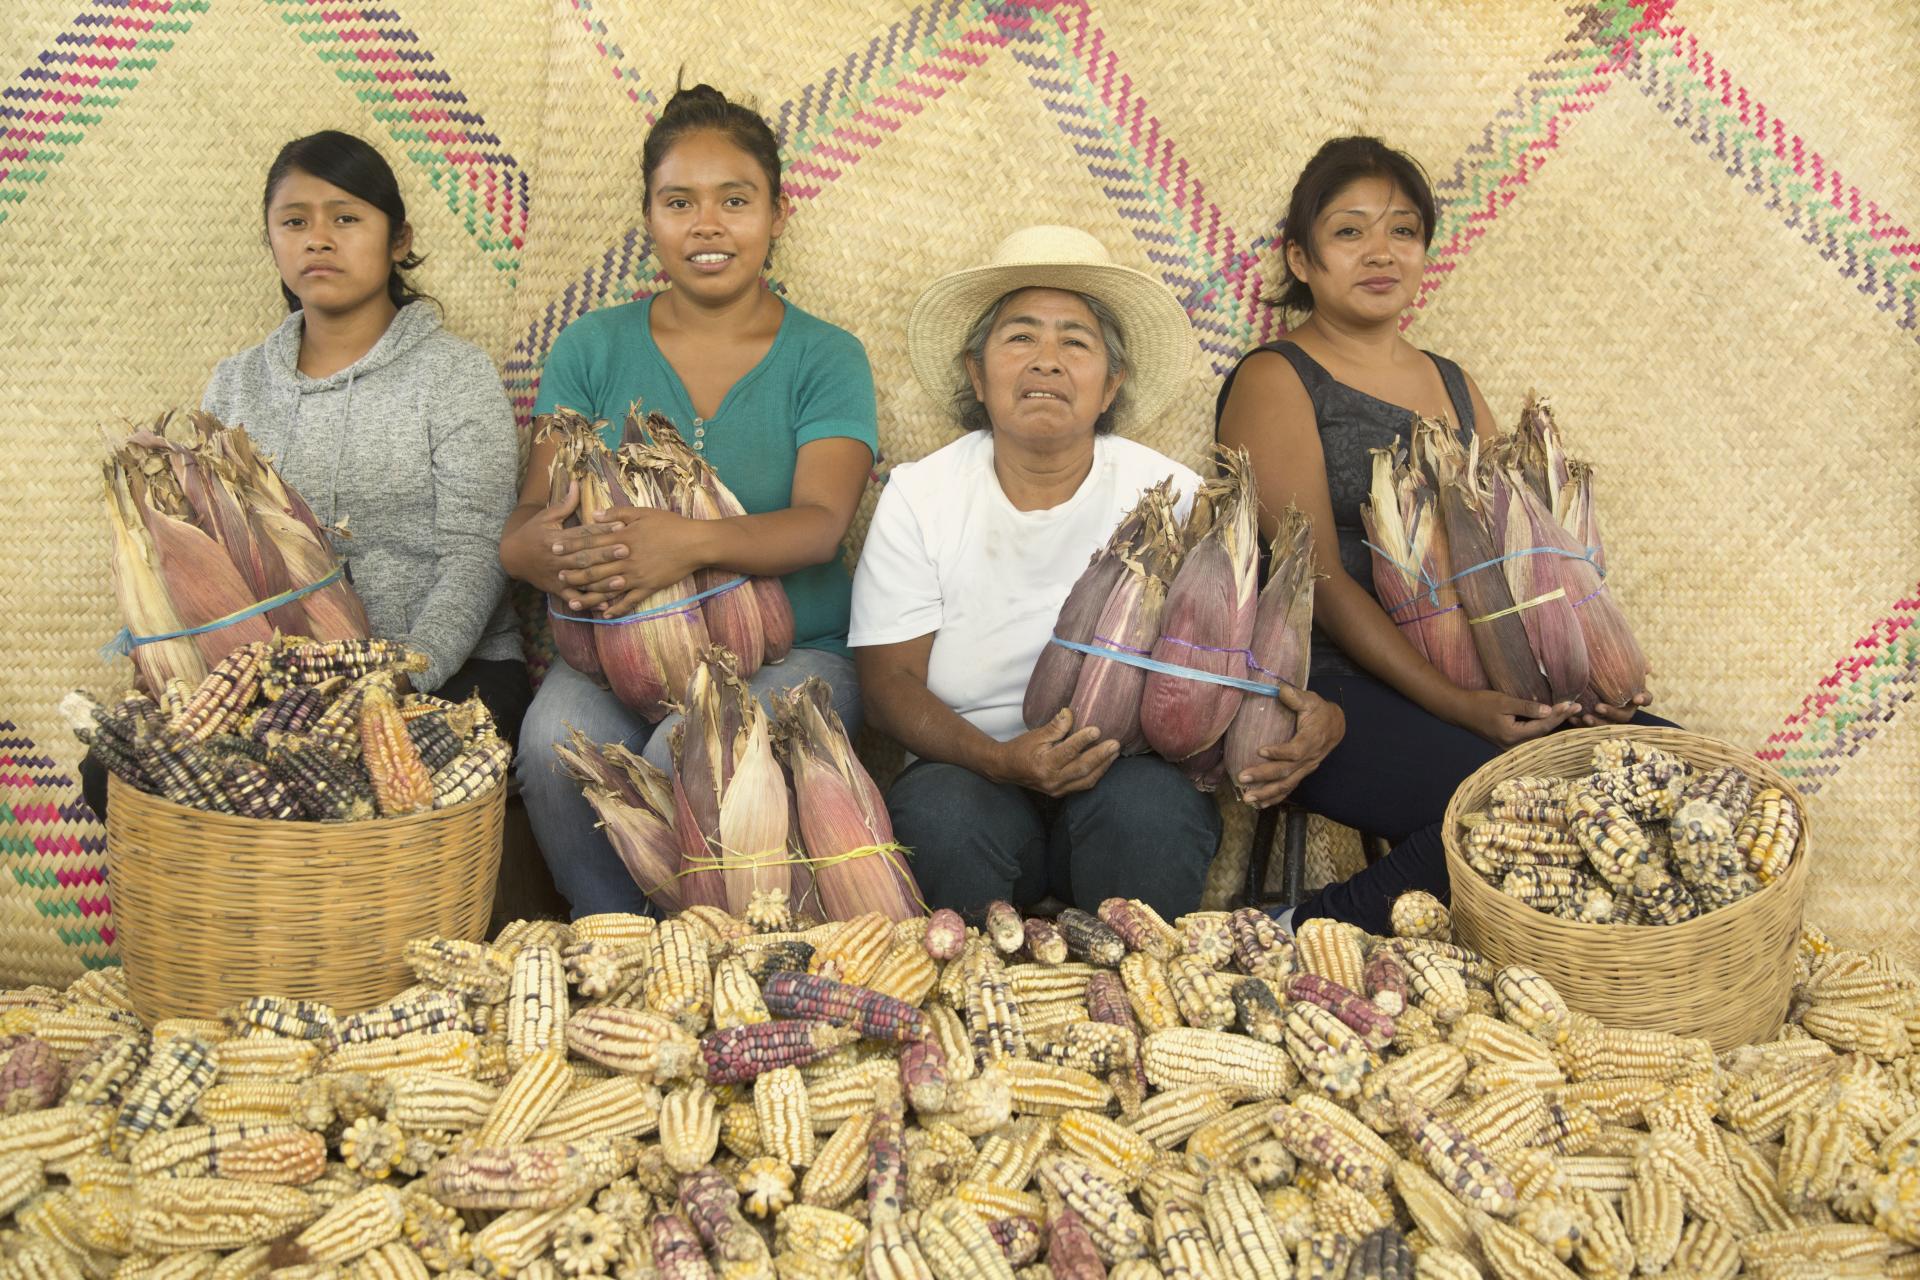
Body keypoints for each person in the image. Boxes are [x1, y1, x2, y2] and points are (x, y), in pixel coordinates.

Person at [1216, 136, 1671, 933]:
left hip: (1474, 675)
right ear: (1301, 258)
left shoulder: (1455, 382)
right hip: (1331, 686)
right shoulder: (1277, 377)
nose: (1380, 251)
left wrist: (1581, 677)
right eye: (1349, 231)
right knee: (1515, 801)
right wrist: (1459, 705)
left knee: (1668, 772)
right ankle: (1292, 933)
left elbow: (1515, 559)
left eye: (1402, 230)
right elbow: (1316, 577)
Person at [851, 225, 1346, 919]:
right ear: (976, 372)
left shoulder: (1175, 496)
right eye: (1020, 337)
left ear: (1111, 383)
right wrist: (1001, 760)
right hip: (970, 766)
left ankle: (1129, 1002)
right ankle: (970, 995)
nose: (1046, 361)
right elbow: (886, 686)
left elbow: (1248, 656)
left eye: (1075, 343)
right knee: (940, 821)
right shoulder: (920, 494)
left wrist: (1316, 719)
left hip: (1127, 770)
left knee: (1150, 817)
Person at [501, 84, 879, 919]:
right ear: (650, 220)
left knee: (692, 748)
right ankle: (618, 946)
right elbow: (524, 530)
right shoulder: (592, 347)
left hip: (798, 655)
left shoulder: (825, 356)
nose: (707, 226)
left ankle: (711, 964)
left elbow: (820, 527)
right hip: (615, 650)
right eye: (679, 203)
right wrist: (552, 552)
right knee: (553, 747)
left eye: (734, 201)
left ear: (779, 214)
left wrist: (686, 543)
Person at [81, 130, 526, 822]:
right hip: (273, 686)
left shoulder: (453, 375)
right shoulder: (236, 384)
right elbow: (206, 554)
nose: (319, 238)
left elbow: (477, 553)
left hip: (443, 671)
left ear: (399, 240)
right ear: (272, 244)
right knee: (110, 773)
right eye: (295, 222)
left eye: (346, 218)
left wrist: (399, 679)